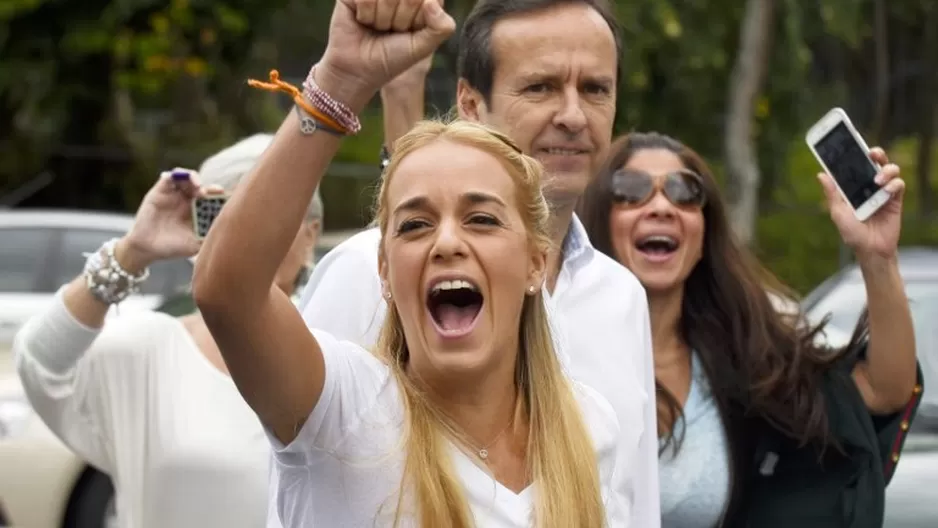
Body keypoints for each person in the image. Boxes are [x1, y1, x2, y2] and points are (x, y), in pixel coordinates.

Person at [191, 6, 626, 523]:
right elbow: (228, 293)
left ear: (535, 262)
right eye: (414, 225)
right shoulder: (345, 411)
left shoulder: (590, 429)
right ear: (383, 271)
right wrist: (341, 79)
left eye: (481, 219)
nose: (446, 241)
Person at [296, 0, 661, 523]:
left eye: (596, 89)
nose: (574, 115)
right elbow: (301, 492)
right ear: (469, 102)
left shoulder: (622, 295)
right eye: (541, 87)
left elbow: (634, 505)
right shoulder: (365, 272)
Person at [577, 131, 925, 527]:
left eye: (684, 192)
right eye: (631, 190)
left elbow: (884, 391)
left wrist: (877, 256)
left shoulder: (745, 361)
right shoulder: (554, 349)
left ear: (705, 231)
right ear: (599, 218)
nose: (661, 206)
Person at [13, 134, 323, 528]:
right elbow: (39, 363)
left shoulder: (338, 349)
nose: (255, 233)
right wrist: (132, 251)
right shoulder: (153, 349)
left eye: (277, 210)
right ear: (204, 225)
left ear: (311, 234)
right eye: (234, 213)